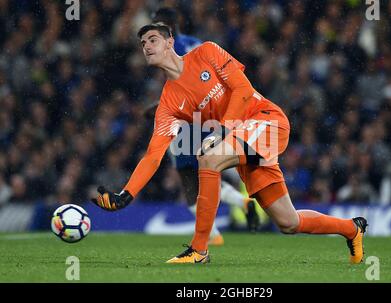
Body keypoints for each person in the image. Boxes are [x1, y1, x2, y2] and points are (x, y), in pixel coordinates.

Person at [92, 23, 368, 264]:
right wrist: (125, 195)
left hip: (266, 121)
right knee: (288, 222)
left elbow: (244, 90)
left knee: (209, 157)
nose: (147, 47)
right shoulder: (167, 104)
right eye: (142, 44)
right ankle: (351, 229)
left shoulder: (207, 52)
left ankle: (198, 250)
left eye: (153, 40)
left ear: (170, 42)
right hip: (243, 141)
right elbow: (153, 155)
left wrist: (222, 131)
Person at [151, 8, 260, 244]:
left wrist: (159, 109)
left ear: (167, 26)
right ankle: (240, 204)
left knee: (188, 178)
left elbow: (181, 89)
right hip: (209, 115)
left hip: (188, 119)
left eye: (155, 28)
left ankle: (211, 235)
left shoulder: (171, 49)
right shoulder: (195, 43)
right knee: (202, 173)